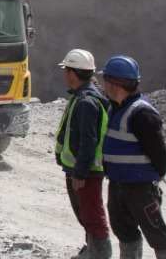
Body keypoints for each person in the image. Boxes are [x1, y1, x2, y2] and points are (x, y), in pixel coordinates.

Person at [100, 56, 166, 259]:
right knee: (124, 231)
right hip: (117, 184)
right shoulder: (115, 107)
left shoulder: (142, 114)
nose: (103, 85)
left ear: (115, 84)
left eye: (105, 80)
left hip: (140, 188)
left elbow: (161, 155)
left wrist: (153, 176)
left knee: (157, 234)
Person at [55, 48, 112, 259]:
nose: (64, 75)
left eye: (66, 70)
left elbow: (89, 140)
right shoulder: (87, 95)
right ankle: (92, 251)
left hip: (86, 172)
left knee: (92, 216)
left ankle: (100, 254)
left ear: (72, 73)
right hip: (84, 170)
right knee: (87, 215)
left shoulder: (87, 101)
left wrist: (80, 172)